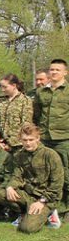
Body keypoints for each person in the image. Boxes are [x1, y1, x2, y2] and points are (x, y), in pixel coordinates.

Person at [3, 124, 64, 233]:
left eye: (31, 139)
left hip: (46, 198)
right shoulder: (19, 155)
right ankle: (23, 214)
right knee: (2, 195)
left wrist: (42, 201)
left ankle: (50, 213)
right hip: (29, 196)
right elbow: (17, 176)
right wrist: (10, 187)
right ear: (20, 140)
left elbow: (57, 184)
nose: (28, 143)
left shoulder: (50, 155)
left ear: (37, 138)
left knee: (27, 228)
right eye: (24, 140)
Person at [32, 58, 69, 220]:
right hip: (45, 139)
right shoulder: (41, 92)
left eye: (57, 70)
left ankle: (65, 208)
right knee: (46, 173)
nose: (53, 72)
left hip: (64, 138)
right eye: (51, 70)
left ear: (65, 72)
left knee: (65, 174)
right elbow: (37, 115)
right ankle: (50, 207)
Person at [0, 74, 32, 152]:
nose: (2, 90)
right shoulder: (0, 101)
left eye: (5, 87)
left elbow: (26, 124)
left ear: (14, 85)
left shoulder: (25, 100)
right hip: (1, 144)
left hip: (18, 145)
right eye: (1, 87)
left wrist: (10, 143)